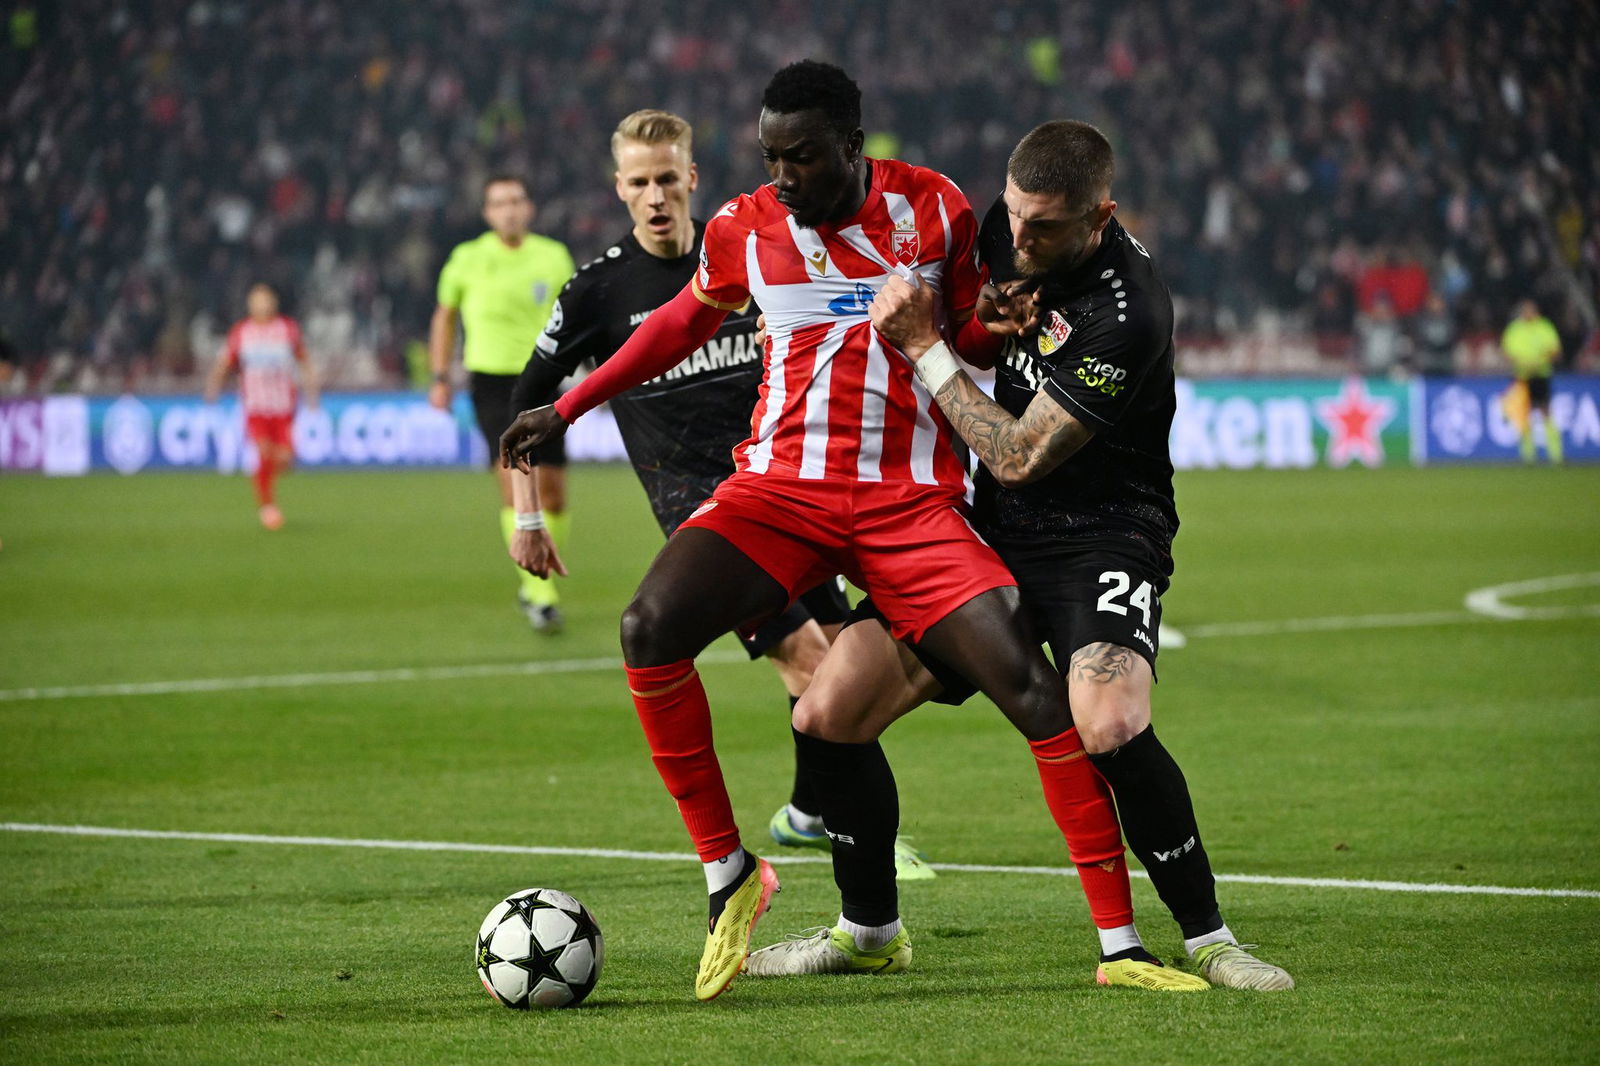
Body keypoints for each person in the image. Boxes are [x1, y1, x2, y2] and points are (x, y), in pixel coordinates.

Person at [502, 61, 1178, 1002]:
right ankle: (731, 876)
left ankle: (1120, 946)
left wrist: (985, 325)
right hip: (781, 489)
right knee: (646, 629)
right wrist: (569, 408)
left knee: (1033, 688)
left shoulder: (934, 209)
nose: (784, 177)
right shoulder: (744, 227)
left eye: (804, 158)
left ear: (854, 149)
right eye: (772, 158)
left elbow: (973, 336)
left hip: (912, 502)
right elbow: (678, 324)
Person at [747, 120, 1294, 992]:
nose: (1019, 239)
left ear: (1100, 217)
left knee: (1107, 720)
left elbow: (1016, 453)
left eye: (1045, 228)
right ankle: (867, 931)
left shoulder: (1129, 309)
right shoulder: (1002, 230)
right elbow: (971, 329)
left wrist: (925, 346)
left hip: (1104, 529)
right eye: (1014, 217)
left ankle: (1209, 937)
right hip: (986, 527)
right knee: (827, 711)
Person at [507, 108, 929, 881]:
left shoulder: (759, 245)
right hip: (701, 507)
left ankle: (808, 810)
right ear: (620, 190)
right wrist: (526, 515)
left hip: (791, 484)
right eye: (640, 182)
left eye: (668, 177)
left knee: (846, 660)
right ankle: (859, 835)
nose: (657, 195)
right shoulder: (597, 291)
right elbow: (528, 401)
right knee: (808, 656)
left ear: (692, 177)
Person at [431, 175, 576, 631]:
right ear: (487, 213)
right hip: (492, 383)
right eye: (499, 203)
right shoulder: (466, 259)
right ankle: (539, 592)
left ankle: (537, 578)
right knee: (514, 481)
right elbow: (445, 317)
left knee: (552, 492)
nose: (509, 210)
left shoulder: (553, 256)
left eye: (516, 200)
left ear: (528, 208)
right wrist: (439, 376)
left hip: (543, 379)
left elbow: (575, 316)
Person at [204, 282, 318, 530]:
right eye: (257, 300)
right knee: (263, 451)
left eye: (266, 299)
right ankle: (268, 506)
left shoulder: (287, 329)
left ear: (273, 302)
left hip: (284, 406)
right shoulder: (241, 332)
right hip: (255, 406)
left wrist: (311, 392)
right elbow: (225, 363)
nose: (262, 305)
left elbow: (304, 361)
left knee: (286, 460)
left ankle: (274, 476)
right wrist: (213, 386)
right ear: (250, 305)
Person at [1499, 299, 1564, 464]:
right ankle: (1528, 455)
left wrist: (1539, 363)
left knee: (1545, 411)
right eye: (1525, 310)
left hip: (1541, 374)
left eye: (1530, 310)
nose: (1527, 313)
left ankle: (1555, 455)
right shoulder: (1515, 329)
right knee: (1523, 414)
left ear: (1536, 311)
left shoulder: (1544, 327)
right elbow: (1505, 352)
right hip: (1522, 377)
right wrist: (1519, 363)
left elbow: (1556, 351)